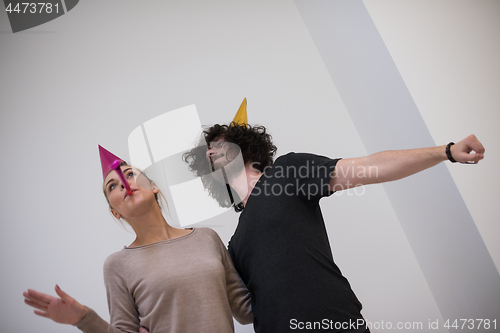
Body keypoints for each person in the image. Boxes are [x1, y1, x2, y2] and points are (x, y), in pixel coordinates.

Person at [181, 99, 485, 333]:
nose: (212, 151)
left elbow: (369, 167)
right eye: (208, 151)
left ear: (243, 143)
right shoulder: (233, 245)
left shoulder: (287, 172)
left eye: (220, 143)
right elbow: (242, 312)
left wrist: (446, 151)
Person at [23, 146, 253, 333]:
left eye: (130, 174)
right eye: (112, 186)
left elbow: (246, 311)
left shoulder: (207, 238)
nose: (124, 182)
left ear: (153, 187)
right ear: (115, 211)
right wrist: (83, 318)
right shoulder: (117, 265)